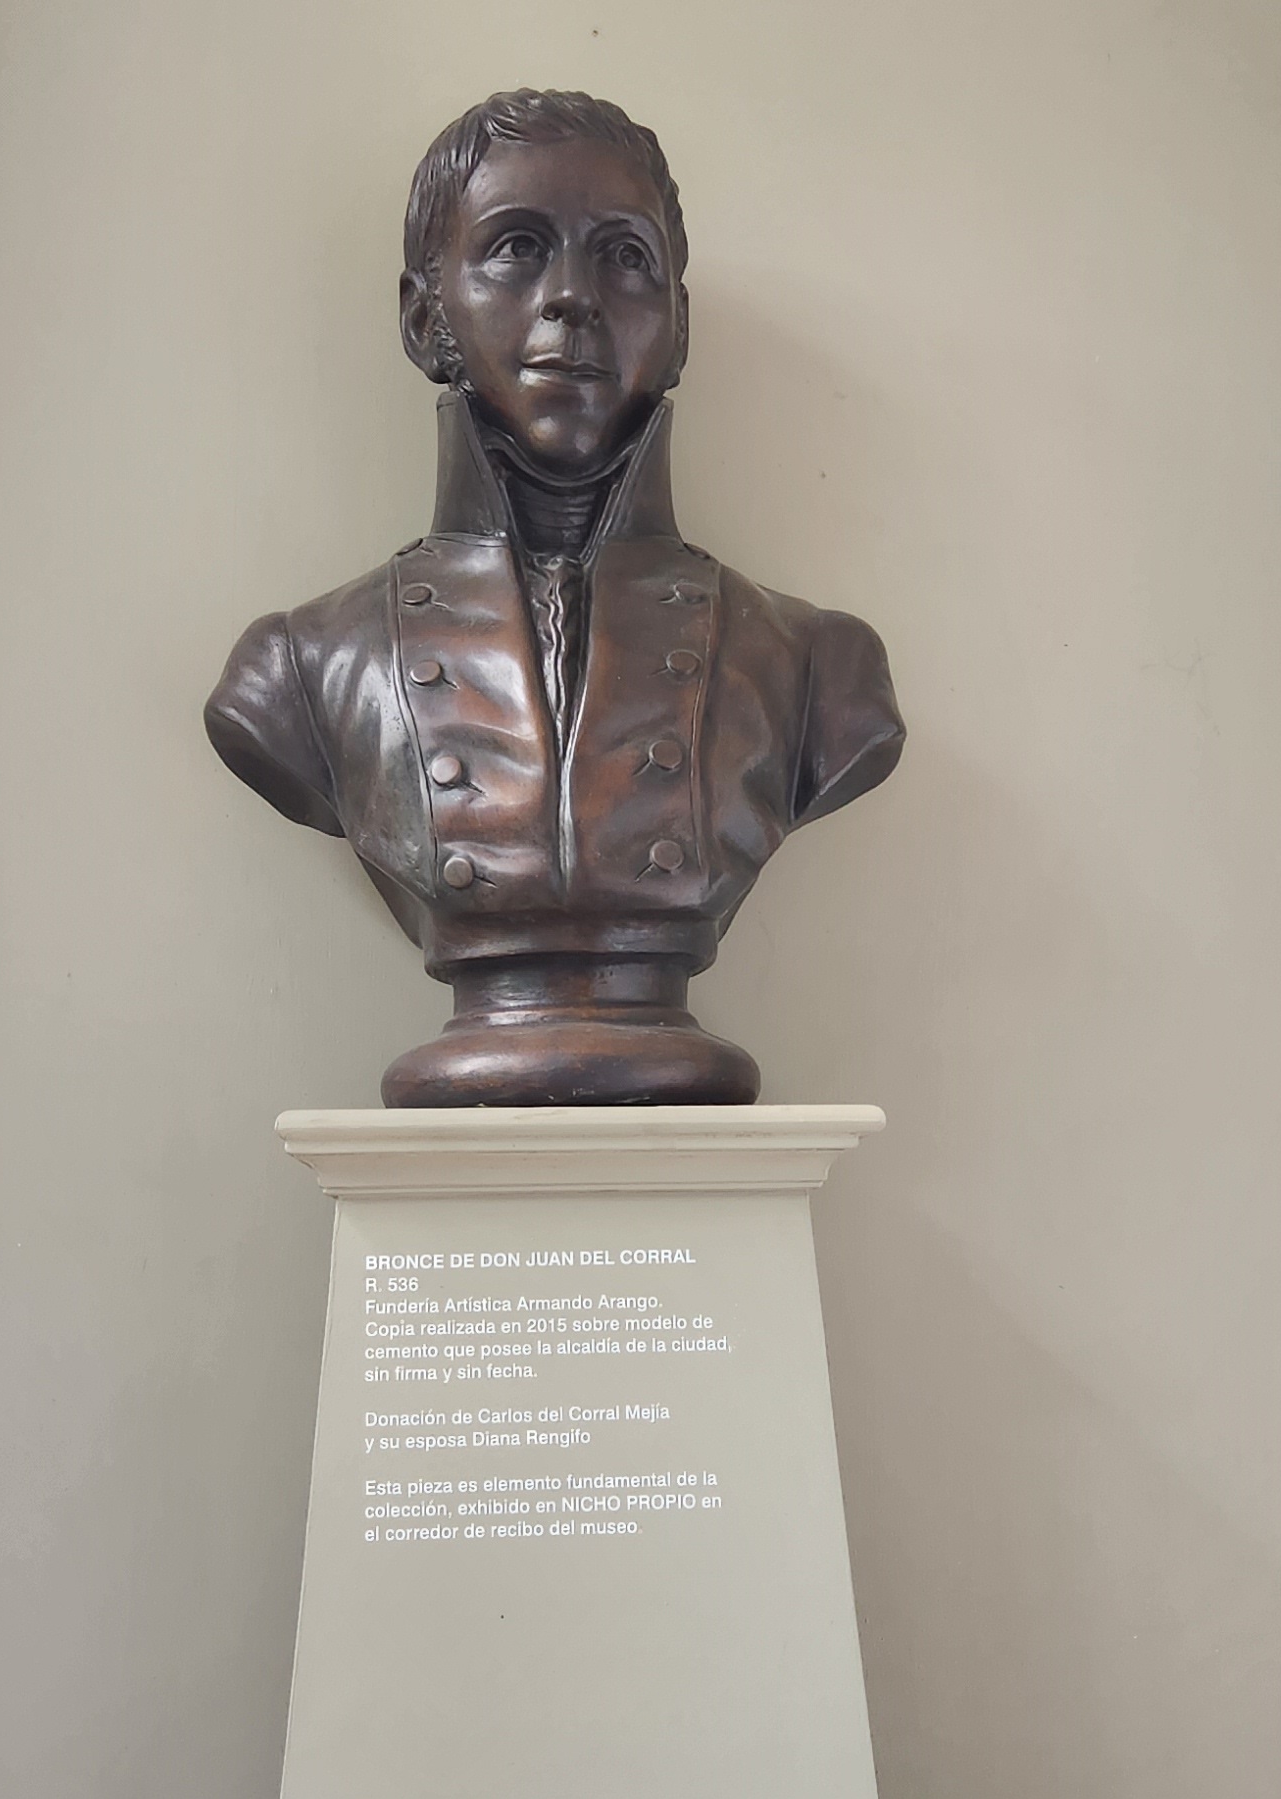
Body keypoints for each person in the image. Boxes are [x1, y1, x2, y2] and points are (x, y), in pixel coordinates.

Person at [206, 89, 905, 1105]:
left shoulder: (819, 671)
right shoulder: (294, 672)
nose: (572, 297)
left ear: (676, 330)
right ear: (422, 318)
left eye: (622, 256)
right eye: (516, 248)